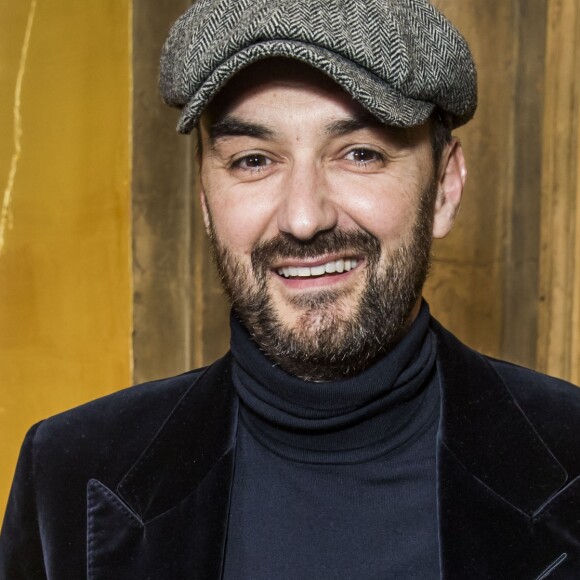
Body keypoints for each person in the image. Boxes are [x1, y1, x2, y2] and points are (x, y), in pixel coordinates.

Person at [1, 0, 579, 578]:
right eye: (254, 160)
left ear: (445, 188)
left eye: (360, 154)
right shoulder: (68, 474)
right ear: (205, 198)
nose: (304, 219)